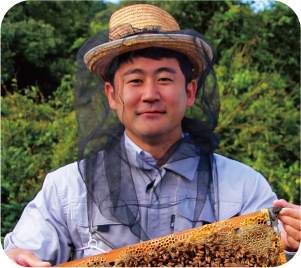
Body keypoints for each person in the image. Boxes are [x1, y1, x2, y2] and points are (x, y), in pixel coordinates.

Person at [3, 4, 301, 267]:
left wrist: (294, 242)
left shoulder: (246, 188)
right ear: (111, 94)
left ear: (190, 91)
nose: (149, 94)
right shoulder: (66, 188)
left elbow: (282, 254)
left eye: (164, 79)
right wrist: (16, 258)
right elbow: (23, 252)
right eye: (134, 80)